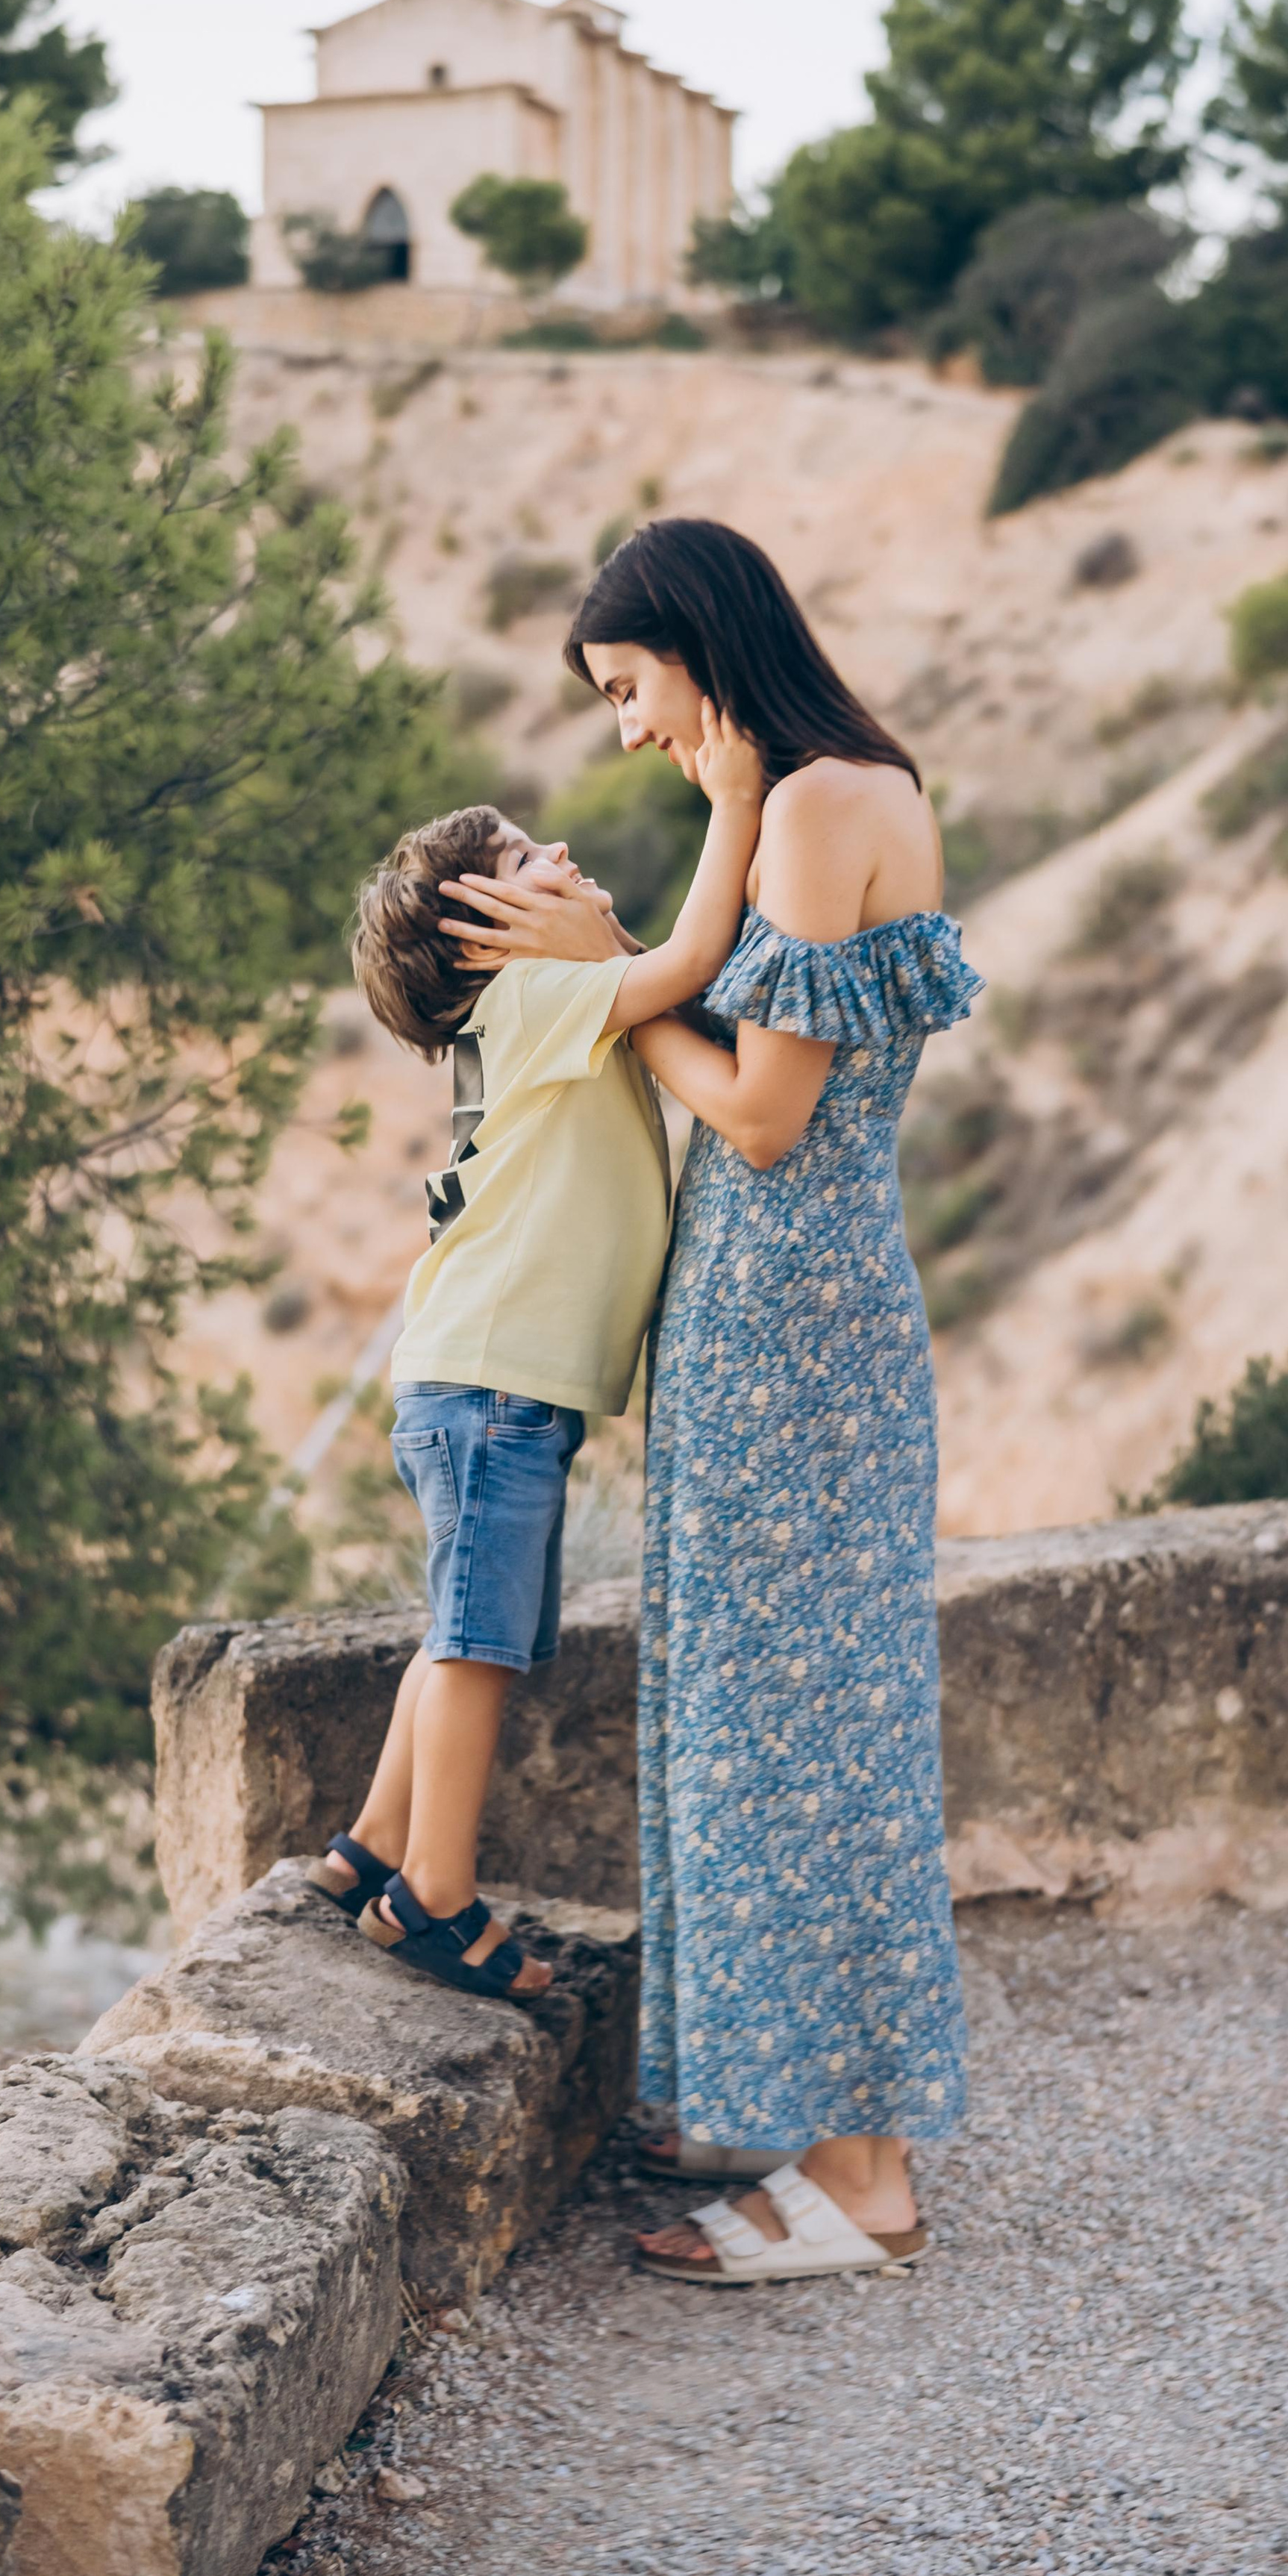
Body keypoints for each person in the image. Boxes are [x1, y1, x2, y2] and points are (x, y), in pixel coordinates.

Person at [442, 516, 977, 2280]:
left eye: (628, 688)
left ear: (697, 643)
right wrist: (650, 912)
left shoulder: (816, 809)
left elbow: (759, 1114)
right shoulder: (834, 791)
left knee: (799, 1734)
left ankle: (861, 2180)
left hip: (788, 1321)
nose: (626, 728)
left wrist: (595, 976)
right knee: (790, 1719)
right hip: (794, 1312)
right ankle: (801, 2116)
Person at [307, 723, 765, 2001]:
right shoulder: (536, 995)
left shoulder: (526, 1007)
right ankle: (432, 1896)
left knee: (460, 1625)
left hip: (481, 1376)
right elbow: (693, 963)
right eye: (526, 861)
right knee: (477, 1643)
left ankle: (368, 1846)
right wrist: (735, 802)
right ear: (489, 936)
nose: (560, 851)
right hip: (494, 1382)